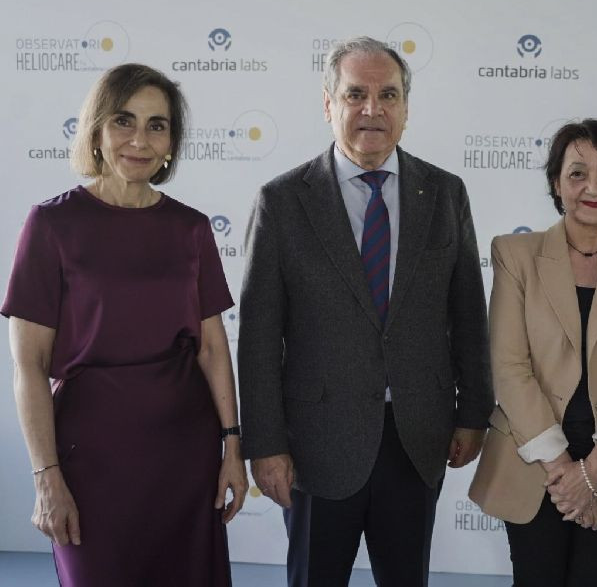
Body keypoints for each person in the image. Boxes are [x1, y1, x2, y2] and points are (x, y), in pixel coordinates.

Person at [238, 36, 492, 587]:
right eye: (356, 94)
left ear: (406, 107)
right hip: (315, 444)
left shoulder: (445, 193)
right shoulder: (282, 201)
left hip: (417, 436)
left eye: (388, 95)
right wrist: (266, 445)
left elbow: (469, 314)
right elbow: (258, 337)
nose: (372, 109)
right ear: (328, 104)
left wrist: (474, 413)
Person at [2, 63, 247, 586]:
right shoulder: (51, 225)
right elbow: (29, 365)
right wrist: (46, 476)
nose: (139, 139)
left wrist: (232, 446)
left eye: (157, 125)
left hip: (186, 454)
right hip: (89, 459)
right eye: (123, 121)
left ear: (171, 143)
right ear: (96, 131)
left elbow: (211, 349)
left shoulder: (191, 228)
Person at [469, 119, 597, 586]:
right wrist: (565, 471)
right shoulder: (515, 254)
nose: (593, 187)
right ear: (556, 184)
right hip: (533, 458)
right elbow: (509, 367)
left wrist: (594, 470)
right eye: (577, 173)